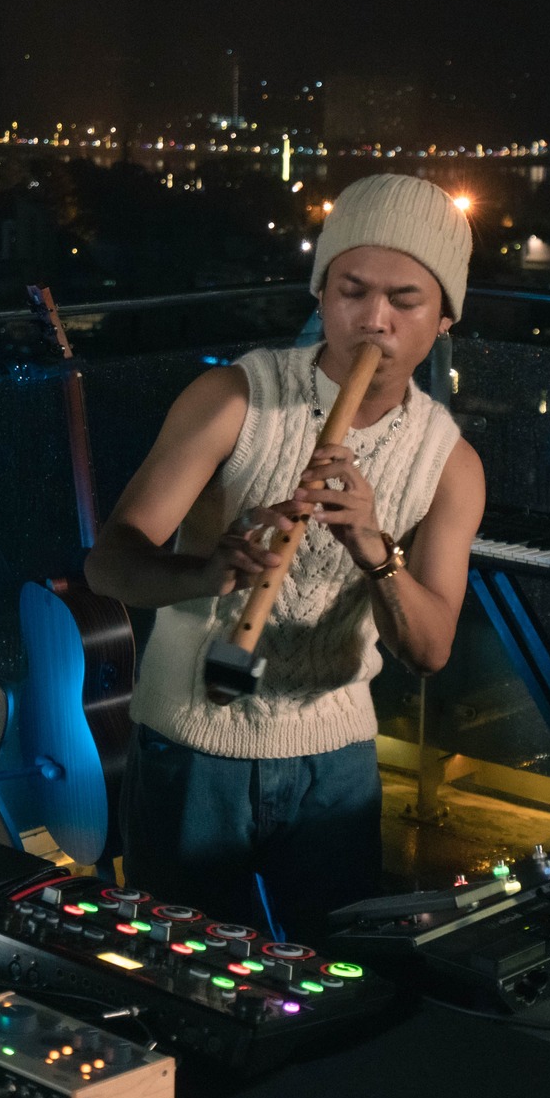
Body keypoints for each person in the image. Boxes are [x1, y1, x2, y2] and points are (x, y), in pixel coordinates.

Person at [87, 174, 487, 937]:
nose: (373, 319)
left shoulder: (450, 462)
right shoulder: (234, 397)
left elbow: (430, 649)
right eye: (350, 290)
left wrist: (372, 546)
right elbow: (109, 563)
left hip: (336, 760)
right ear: (321, 295)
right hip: (193, 743)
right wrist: (209, 571)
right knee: (181, 965)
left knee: (334, 972)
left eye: (405, 300)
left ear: (444, 319)